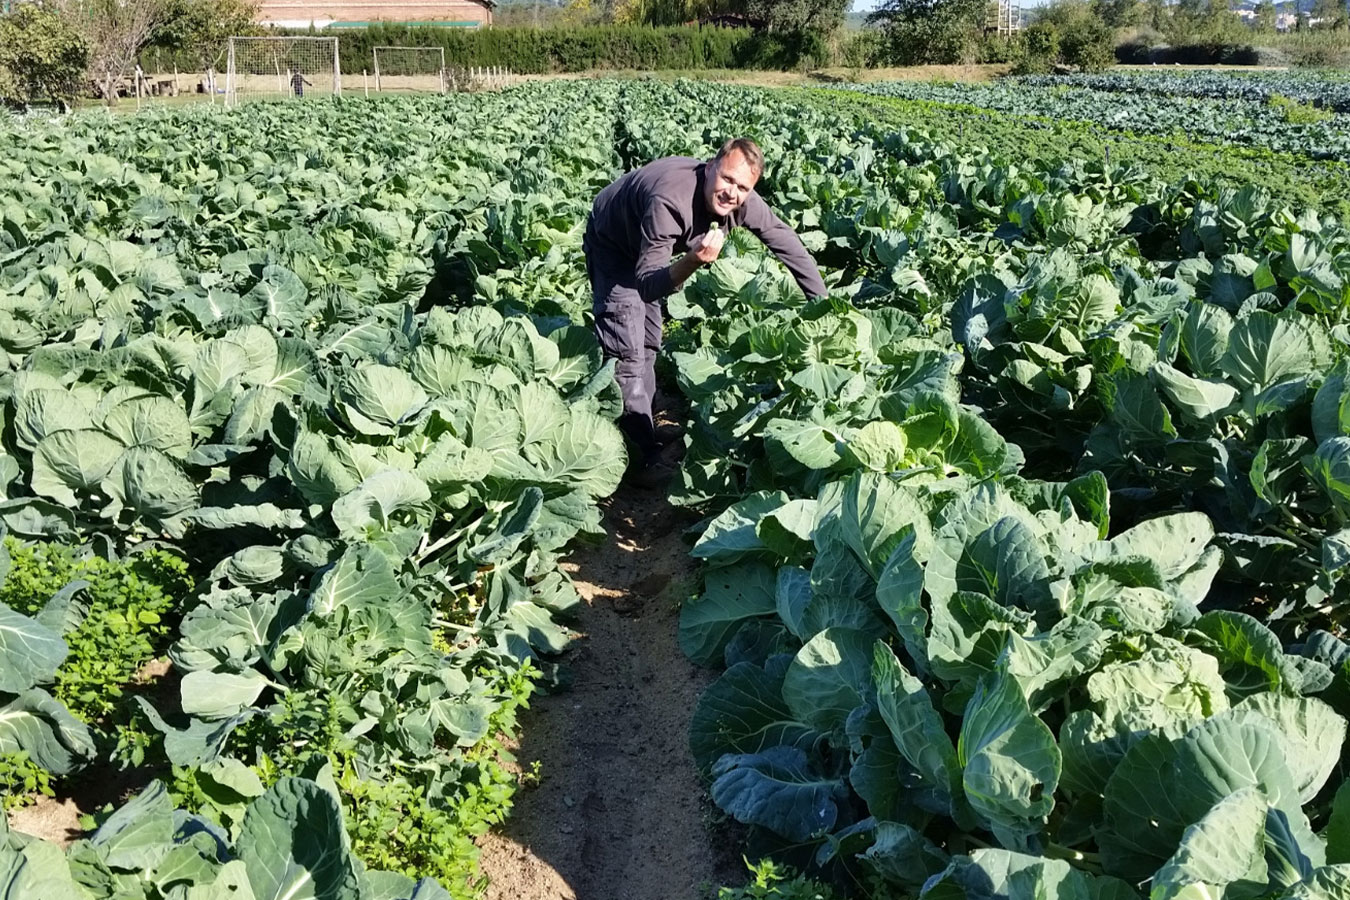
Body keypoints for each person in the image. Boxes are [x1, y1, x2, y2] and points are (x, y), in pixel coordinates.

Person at [583, 138, 828, 488]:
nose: (732, 193)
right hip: (614, 245)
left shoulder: (742, 202)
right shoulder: (670, 200)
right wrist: (691, 261)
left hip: (649, 253)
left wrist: (825, 306)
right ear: (710, 166)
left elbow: (785, 242)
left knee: (650, 339)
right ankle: (639, 460)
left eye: (743, 187)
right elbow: (648, 285)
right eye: (727, 179)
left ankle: (647, 426)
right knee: (627, 350)